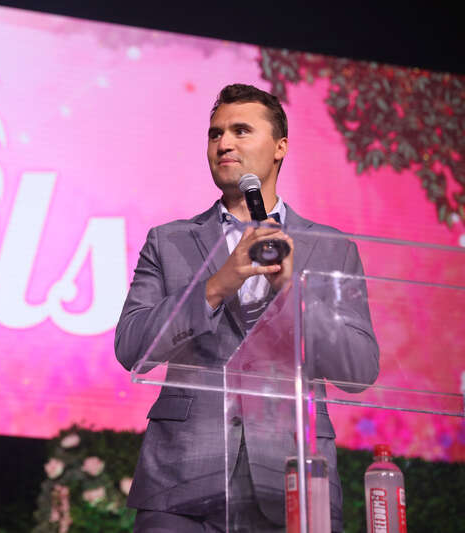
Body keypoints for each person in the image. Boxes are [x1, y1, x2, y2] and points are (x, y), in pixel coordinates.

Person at [115, 84, 379, 532]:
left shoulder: (332, 249)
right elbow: (131, 347)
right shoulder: (169, 241)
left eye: (241, 130)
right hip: (181, 485)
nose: (224, 143)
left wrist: (292, 292)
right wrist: (217, 285)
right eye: (215, 133)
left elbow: (359, 370)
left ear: (280, 147)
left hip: (293, 479)